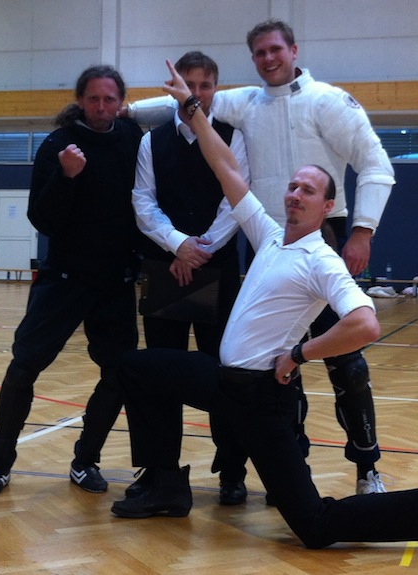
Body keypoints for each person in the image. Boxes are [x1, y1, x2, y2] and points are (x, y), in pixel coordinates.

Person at [109, 61, 418, 554]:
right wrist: (192, 107)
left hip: (259, 400)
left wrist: (300, 354)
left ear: (325, 206)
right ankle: (165, 483)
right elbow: (225, 167)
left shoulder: (320, 260)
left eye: (307, 191)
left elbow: (365, 324)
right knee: (135, 367)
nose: (295, 194)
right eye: (292, 186)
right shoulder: (270, 235)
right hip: (223, 383)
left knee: (314, 526)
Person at [129, 18, 395, 494]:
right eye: (260, 52)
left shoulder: (330, 101)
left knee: (347, 364)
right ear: (252, 58)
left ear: (294, 50)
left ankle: (367, 468)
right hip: (267, 240)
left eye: (276, 49)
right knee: (273, 367)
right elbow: (185, 102)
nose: (269, 59)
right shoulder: (246, 102)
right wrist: (123, 111)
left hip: (325, 239)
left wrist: (362, 232)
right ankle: (290, 469)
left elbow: (376, 163)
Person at [0, 65, 144, 497]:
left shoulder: (132, 138)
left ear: (120, 102)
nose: (101, 107)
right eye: (94, 99)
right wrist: (66, 176)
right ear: (81, 101)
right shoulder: (57, 145)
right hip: (64, 278)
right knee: (23, 367)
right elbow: (43, 219)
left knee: (119, 372)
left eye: (109, 99)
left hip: (115, 280)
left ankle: (85, 460)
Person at [131, 51, 250, 505]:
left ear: (215, 89)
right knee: (160, 373)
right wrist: (178, 244)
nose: (196, 94)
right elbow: (143, 202)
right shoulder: (151, 142)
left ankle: (232, 470)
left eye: (205, 85)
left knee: (226, 372)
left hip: (218, 269)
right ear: (173, 87)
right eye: (189, 85)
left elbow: (236, 199)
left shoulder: (233, 137)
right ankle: (161, 471)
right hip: (165, 267)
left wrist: (200, 250)